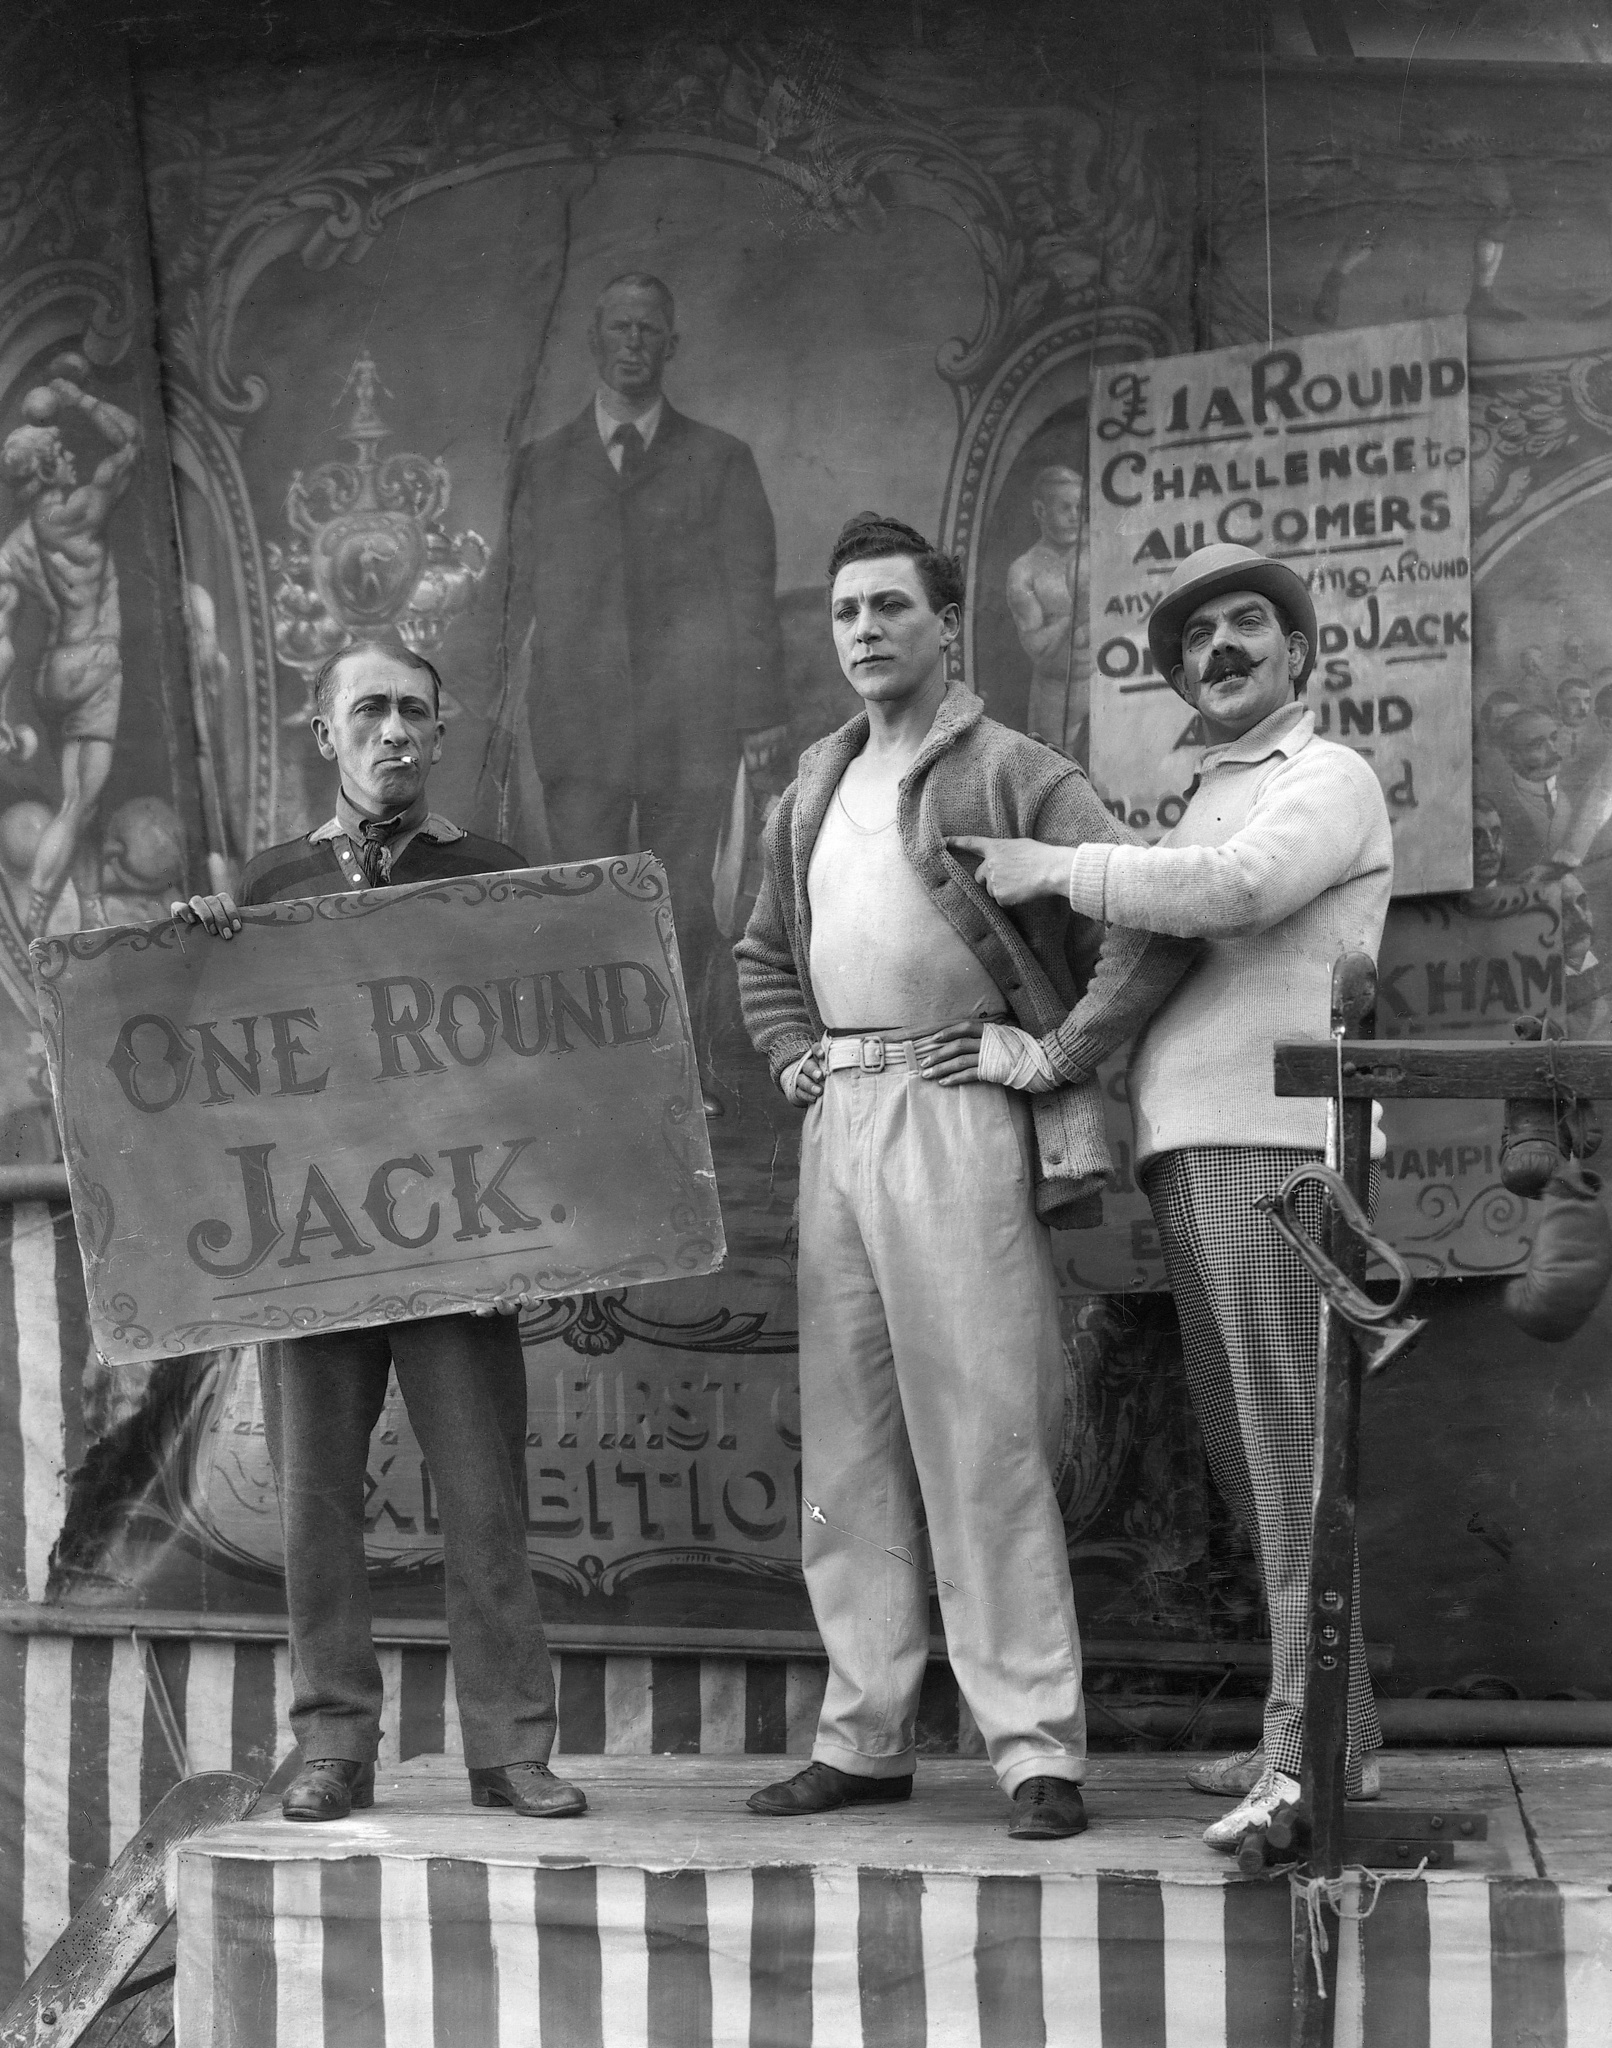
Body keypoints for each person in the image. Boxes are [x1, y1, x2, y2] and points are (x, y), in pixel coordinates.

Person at [735, 512, 1195, 1839]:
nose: (867, 631)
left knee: (987, 1437)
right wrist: (787, 1057)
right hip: (846, 1122)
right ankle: (865, 1737)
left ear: (948, 624)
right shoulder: (810, 788)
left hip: (958, 1114)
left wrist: (1053, 1054)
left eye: (892, 607)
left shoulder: (1014, 771)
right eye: (847, 613)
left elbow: (1144, 912)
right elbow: (766, 954)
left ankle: (1035, 1747)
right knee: (852, 1445)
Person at [951, 540, 1394, 1852]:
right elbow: (1147, 962)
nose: (1223, 650)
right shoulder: (1205, 799)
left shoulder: (1325, 778)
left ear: (1303, 653)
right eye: (1199, 639)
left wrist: (1058, 872)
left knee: (1287, 1462)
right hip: (1199, 1158)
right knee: (1257, 1465)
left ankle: (1306, 1764)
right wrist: (1050, 1058)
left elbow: (1240, 894)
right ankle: (1329, 1735)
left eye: (1250, 625)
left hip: (1284, 1155)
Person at [170, 636, 585, 1825]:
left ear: (443, 734)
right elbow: (198, 1069)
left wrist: (529, 1238)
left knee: (485, 1496)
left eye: (413, 711)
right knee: (315, 1502)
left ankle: (509, 1746)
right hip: (313, 1250)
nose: (392, 731)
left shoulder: (495, 873)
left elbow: (544, 1066)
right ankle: (334, 1745)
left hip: (458, 1249)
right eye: (368, 711)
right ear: (326, 733)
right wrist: (193, 951)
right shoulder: (263, 891)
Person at [469, 273, 787, 1100]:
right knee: (590, 899)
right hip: (581, 726)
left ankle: (683, 1076)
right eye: (620, 328)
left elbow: (752, 591)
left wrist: (758, 713)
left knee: (683, 902)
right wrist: (472, 704)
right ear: (595, 342)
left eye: (650, 329)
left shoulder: (720, 460)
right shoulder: (541, 466)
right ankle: (603, 1079)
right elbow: (509, 593)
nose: (635, 343)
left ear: (671, 345)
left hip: (692, 726)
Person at [0, 357, 140, 936]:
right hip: (96, 660)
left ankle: (93, 911)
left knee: (82, 801)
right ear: (46, 467)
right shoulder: (81, 510)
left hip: (54, 672)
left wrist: (5, 704)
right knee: (76, 803)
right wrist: (76, 398)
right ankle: (36, 930)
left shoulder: (18, 540)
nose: (68, 455)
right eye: (58, 452)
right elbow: (131, 442)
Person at [1005, 463, 1092, 760]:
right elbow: (1037, 647)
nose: (1075, 516)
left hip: (1106, 684)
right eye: (1065, 507)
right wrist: (1076, 617)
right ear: (1041, 510)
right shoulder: (1024, 570)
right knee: (1054, 777)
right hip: (1054, 697)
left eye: (1081, 507)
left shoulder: (1103, 549)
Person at [1486, 706, 1568, 875]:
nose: (1553, 750)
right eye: (1537, 745)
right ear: (1511, 757)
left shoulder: (1583, 793)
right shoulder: (1494, 805)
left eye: (1554, 738)